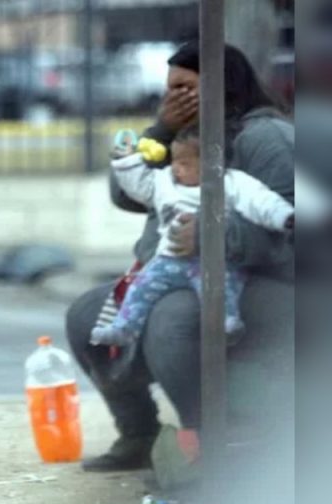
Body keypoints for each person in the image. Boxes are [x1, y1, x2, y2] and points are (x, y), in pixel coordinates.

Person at [66, 42, 294, 472]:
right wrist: (160, 130)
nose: (174, 99)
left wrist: (215, 235)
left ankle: (208, 449)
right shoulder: (183, 137)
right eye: (169, 89)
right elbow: (125, 194)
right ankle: (138, 435)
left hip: (262, 284)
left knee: (171, 321)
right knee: (86, 316)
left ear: (223, 86)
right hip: (177, 272)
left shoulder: (266, 138)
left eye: (186, 88)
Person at [90, 126, 294, 347]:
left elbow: (261, 202)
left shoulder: (233, 183)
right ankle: (124, 328)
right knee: (140, 287)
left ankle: (226, 322)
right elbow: (138, 184)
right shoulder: (165, 182)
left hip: (215, 261)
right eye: (174, 161)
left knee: (222, 287)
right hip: (169, 260)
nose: (175, 168)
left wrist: (284, 217)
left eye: (184, 163)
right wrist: (126, 160)